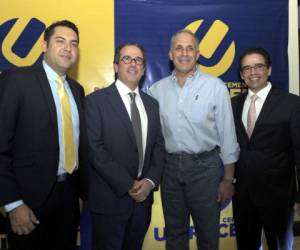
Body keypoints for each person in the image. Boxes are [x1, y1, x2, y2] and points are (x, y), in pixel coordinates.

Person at [0, 20, 88, 250]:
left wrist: (79, 195)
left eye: (74, 44)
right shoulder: (16, 81)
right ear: (43, 45)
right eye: (60, 41)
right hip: (27, 204)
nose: (68, 48)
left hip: (68, 200)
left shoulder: (78, 91)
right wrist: (12, 203)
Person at [147, 29, 239, 250]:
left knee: (208, 236)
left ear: (198, 54)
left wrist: (228, 179)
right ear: (170, 54)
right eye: (179, 48)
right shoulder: (156, 90)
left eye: (190, 48)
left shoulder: (215, 86)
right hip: (169, 170)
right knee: (175, 235)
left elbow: (228, 135)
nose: (184, 53)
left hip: (205, 169)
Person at [85, 42, 165, 250]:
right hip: (109, 200)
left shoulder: (152, 104)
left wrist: (149, 181)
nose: (133, 64)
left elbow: (158, 147)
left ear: (144, 68)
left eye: (138, 60)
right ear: (115, 66)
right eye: (126, 59)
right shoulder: (95, 101)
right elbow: (95, 150)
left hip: (142, 201)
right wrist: (127, 184)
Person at [231, 47, 300, 250]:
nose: (253, 72)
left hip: (278, 196)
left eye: (259, 66)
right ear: (242, 75)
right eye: (247, 68)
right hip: (243, 196)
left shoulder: (292, 103)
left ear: (269, 70)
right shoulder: (233, 104)